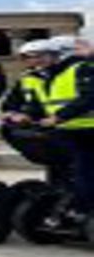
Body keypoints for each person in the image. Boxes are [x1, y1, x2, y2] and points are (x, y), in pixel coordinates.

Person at [0, 39, 70, 185]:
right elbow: (12, 103)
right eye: (29, 57)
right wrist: (15, 114)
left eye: (41, 56)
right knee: (57, 168)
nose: (35, 60)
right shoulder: (28, 78)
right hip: (49, 129)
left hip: (75, 127)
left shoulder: (72, 74)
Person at [39, 36, 94, 221]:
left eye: (48, 54)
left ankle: (83, 210)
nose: (43, 59)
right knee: (69, 172)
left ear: (63, 54)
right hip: (67, 130)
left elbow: (90, 96)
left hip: (87, 130)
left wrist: (60, 116)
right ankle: (71, 206)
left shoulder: (83, 68)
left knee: (84, 171)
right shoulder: (55, 74)